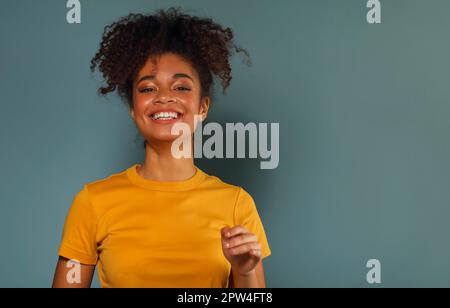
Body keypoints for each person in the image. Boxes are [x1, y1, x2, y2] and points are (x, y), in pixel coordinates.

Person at [52, 7, 271, 288]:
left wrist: (244, 271)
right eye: (147, 89)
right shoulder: (91, 203)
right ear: (134, 108)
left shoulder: (237, 205)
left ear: (203, 107)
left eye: (181, 87)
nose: (164, 97)